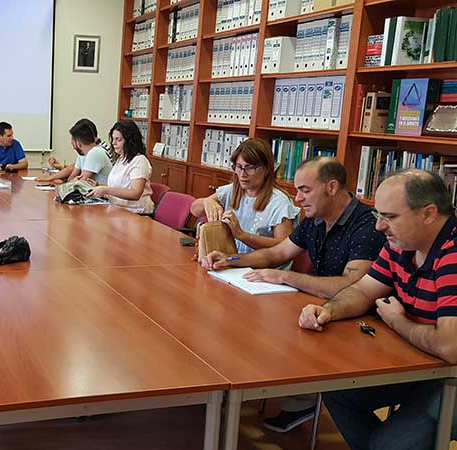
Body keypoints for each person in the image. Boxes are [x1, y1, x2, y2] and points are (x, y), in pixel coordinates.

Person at [202, 157, 386, 432]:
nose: (298, 199)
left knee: (265, 331)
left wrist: (285, 276)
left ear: (332, 187)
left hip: (353, 321)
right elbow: (278, 253)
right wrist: (231, 260)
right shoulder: (316, 218)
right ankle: (253, 394)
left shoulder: (366, 226)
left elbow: (354, 286)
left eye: (305, 190)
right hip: (317, 308)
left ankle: (299, 398)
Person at [299, 169, 457, 450]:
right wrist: (329, 310)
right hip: (422, 365)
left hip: (449, 376)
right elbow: (362, 290)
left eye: (390, 217)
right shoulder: (402, 242)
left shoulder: (452, 254)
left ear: (429, 214)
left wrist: (397, 320)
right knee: (337, 389)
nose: (379, 227)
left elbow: (450, 347)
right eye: (378, 216)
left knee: (388, 444)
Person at [191, 138, 299, 254]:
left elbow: (285, 248)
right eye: (239, 167)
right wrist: (207, 201)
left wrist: (242, 235)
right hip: (230, 262)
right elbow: (194, 210)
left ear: (267, 169)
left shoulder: (279, 202)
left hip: (259, 268)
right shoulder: (232, 190)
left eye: (250, 168)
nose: (242, 174)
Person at [88, 120, 154, 214]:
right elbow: (118, 187)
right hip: (118, 209)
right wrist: (98, 185)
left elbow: (135, 193)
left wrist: (106, 189)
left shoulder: (139, 161)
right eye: (113, 139)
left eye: (118, 140)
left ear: (130, 141)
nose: (114, 143)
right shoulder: (121, 158)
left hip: (137, 213)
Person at [36, 119, 112, 184]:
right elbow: (71, 178)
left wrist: (55, 179)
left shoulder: (95, 152)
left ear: (78, 142)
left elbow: (81, 183)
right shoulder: (84, 154)